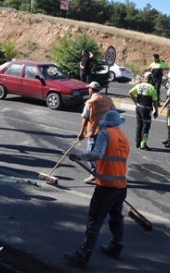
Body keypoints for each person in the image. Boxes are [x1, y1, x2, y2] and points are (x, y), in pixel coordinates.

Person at [64, 110, 131, 268]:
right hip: (121, 186)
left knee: (94, 220)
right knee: (116, 218)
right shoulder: (124, 138)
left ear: (106, 124)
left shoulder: (106, 134)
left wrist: (78, 155)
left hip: (106, 187)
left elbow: (96, 154)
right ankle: (116, 246)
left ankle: (83, 255)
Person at [77, 81, 115, 183]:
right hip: (107, 131)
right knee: (103, 152)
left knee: (91, 152)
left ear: (91, 89)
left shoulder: (90, 102)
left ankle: (94, 173)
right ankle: (103, 172)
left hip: (95, 131)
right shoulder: (108, 99)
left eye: (89, 88)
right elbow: (114, 111)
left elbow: (85, 119)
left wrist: (81, 133)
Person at [129, 71, 159, 150]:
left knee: (139, 125)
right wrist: (156, 110)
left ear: (145, 78)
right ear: (151, 79)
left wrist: (135, 101)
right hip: (146, 109)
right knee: (146, 127)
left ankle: (137, 143)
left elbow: (130, 92)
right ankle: (143, 144)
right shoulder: (152, 88)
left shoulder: (139, 85)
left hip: (138, 108)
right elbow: (155, 101)